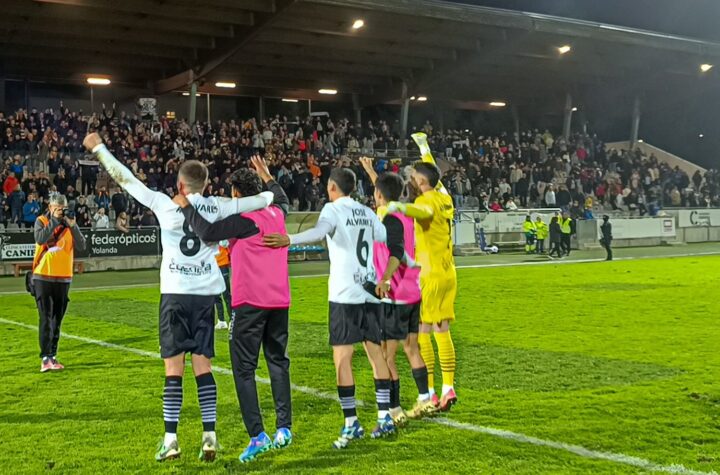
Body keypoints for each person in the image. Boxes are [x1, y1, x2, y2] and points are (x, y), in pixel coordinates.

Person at [83, 133, 273, 462]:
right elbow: (261, 200)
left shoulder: (161, 203)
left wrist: (99, 148)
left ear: (180, 184)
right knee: (203, 366)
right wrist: (269, 189)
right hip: (205, 297)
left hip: (174, 294)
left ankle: (171, 439)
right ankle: (209, 436)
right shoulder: (218, 206)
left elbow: (124, 178)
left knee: (174, 369)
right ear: (206, 183)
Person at [264, 167, 397, 448]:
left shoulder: (332, 210)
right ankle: (385, 416)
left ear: (332, 187)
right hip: (369, 291)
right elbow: (385, 236)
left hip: (345, 294)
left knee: (343, 357)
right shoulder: (367, 211)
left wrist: (290, 239)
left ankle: (351, 423)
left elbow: (318, 232)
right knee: (375, 352)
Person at [175, 156, 293, 463]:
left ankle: (258, 436)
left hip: (250, 303)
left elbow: (205, 232)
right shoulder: (277, 213)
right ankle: (284, 428)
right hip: (280, 301)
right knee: (278, 361)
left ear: (238, 195)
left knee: (244, 370)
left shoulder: (245, 220)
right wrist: (268, 174)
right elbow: (282, 197)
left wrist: (187, 205)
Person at [360, 157, 435, 425]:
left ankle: (394, 410)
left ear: (378, 195)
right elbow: (385, 194)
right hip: (414, 290)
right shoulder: (405, 212)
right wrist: (372, 173)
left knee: (386, 355)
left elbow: (382, 206)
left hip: (394, 294)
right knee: (411, 348)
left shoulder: (383, 216)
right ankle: (426, 398)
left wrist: (387, 278)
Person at [388, 132, 458, 412]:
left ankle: (428, 393)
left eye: (415, 176)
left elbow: (423, 214)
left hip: (428, 274)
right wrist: (424, 147)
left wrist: (398, 207)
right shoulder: (444, 196)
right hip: (448, 272)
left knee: (422, 332)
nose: (412, 179)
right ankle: (448, 387)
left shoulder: (425, 202)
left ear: (421, 182)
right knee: (442, 329)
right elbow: (432, 173)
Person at [32, 194, 86, 372]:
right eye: (58, 209)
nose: (61, 212)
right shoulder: (41, 221)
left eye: (63, 209)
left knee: (57, 319)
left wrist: (74, 225)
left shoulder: (69, 225)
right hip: (44, 276)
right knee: (46, 318)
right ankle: (45, 357)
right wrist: (54, 221)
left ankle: (52, 355)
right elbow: (40, 238)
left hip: (63, 278)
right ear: (50, 207)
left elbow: (82, 245)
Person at [213, 243, 231, 330]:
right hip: (213, 263)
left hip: (222, 262)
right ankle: (221, 321)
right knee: (216, 294)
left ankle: (231, 319)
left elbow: (225, 243)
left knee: (226, 293)